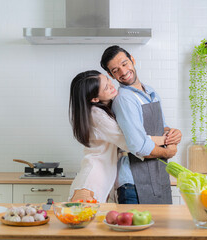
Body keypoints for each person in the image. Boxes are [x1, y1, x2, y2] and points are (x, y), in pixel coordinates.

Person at [68, 70, 177, 203]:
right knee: (82, 217)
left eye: (108, 80)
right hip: (93, 176)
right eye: (106, 87)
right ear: (95, 99)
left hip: (102, 174)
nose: (112, 85)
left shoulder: (103, 108)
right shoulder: (97, 115)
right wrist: (167, 141)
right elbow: (132, 141)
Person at [100, 45, 182, 204]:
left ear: (132, 60)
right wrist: (168, 153)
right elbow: (139, 147)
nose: (123, 72)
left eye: (124, 64)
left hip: (157, 176)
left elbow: (161, 127)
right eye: (116, 70)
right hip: (134, 183)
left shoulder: (151, 92)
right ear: (110, 74)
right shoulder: (125, 99)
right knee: (139, 228)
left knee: (160, 228)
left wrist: (173, 133)